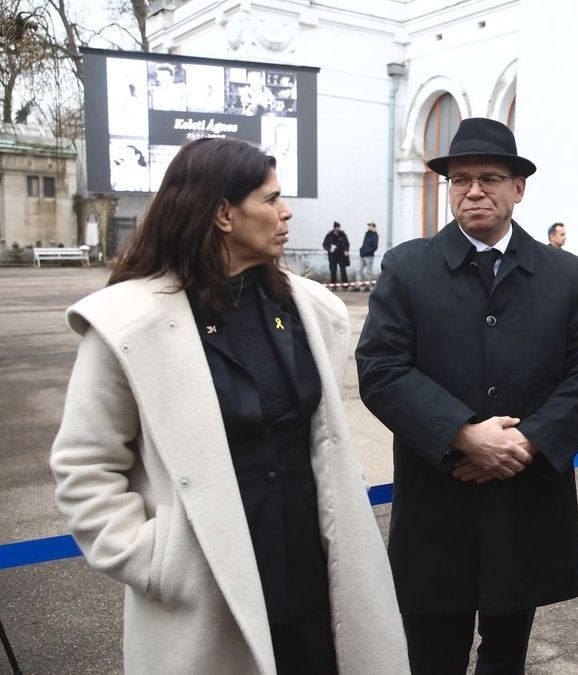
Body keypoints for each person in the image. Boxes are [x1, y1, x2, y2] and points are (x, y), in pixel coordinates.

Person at [49, 137, 408, 674]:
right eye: (270, 199)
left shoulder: (311, 310)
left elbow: (322, 434)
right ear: (222, 213)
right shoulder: (129, 326)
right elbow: (84, 468)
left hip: (319, 583)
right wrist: (160, 561)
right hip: (210, 597)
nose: (286, 212)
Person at [356, 117, 578, 675]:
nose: (474, 191)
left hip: (523, 496)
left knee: (507, 653)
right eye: (461, 179)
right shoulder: (408, 268)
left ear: (518, 188)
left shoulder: (561, 273)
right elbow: (380, 369)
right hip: (439, 497)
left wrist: (527, 442)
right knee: (432, 654)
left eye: (491, 178)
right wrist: (462, 434)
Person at [323, 221, 350, 286]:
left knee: (343, 271)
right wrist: (329, 249)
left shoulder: (343, 235)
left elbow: (347, 243)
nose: (338, 229)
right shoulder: (329, 235)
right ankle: (333, 285)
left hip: (341, 255)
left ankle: (345, 285)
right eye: (337, 227)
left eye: (339, 227)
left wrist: (346, 250)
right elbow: (324, 244)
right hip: (332, 256)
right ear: (334, 228)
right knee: (333, 270)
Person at [358, 221, 380, 288]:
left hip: (369, 256)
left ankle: (368, 286)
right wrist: (361, 250)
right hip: (363, 255)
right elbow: (364, 244)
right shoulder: (367, 234)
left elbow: (375, 247)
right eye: (368, 226)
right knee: (358, 270)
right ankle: (357, 286)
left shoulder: (375, 235)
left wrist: (368, 252)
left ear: (373, 227)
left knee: (369, 271)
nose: (368, 227)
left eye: (370, 226)